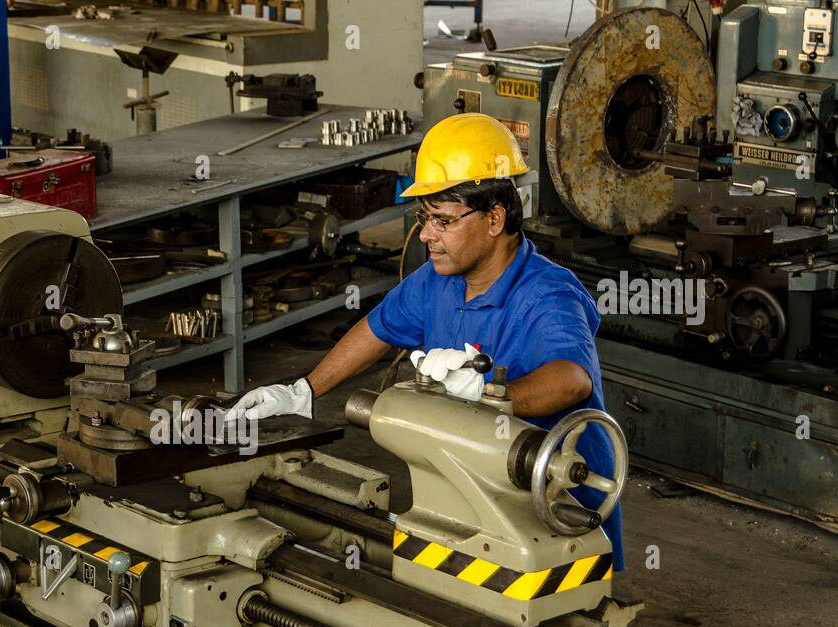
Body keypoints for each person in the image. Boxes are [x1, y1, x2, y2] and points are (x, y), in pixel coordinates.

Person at [226, 113, 625, 569]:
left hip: (557, 508)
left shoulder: (547, 295)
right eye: (424, 217)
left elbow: (571, 381)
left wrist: (490, 394)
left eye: (442, 220)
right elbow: (377, 329)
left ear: (494, 218)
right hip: (467, 489)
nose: (427, 235)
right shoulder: (439, 281)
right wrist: (304, 391)